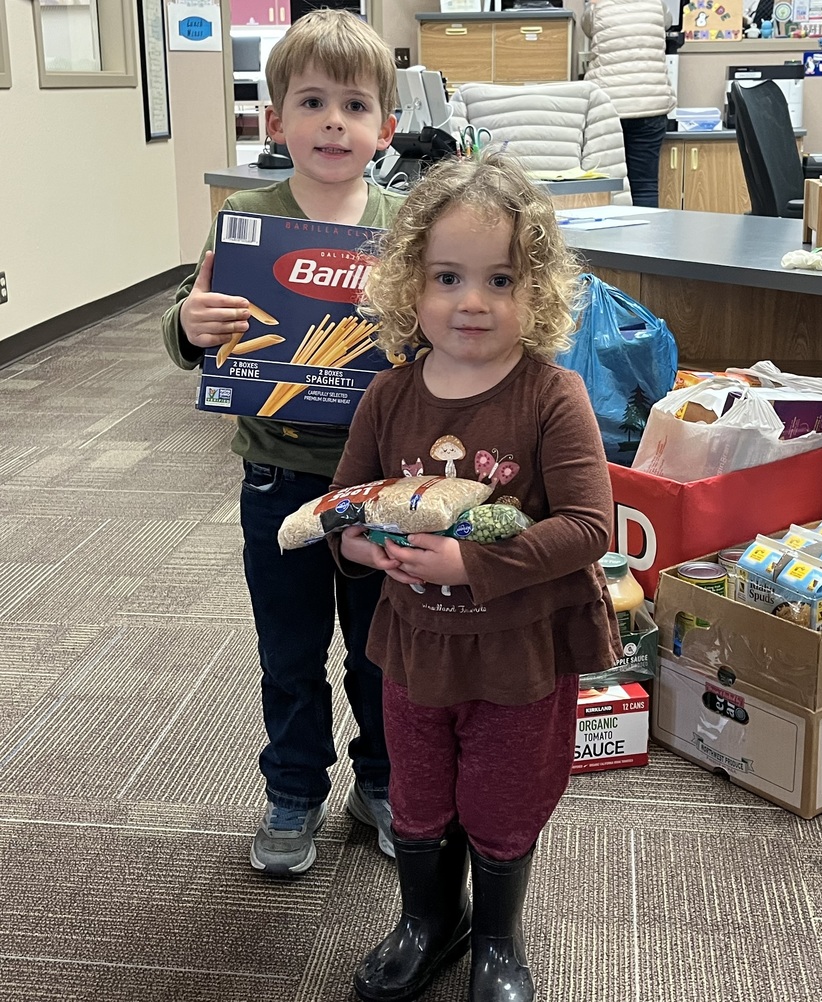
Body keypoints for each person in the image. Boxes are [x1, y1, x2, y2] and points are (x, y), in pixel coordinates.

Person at [329, 153, 622, 1002]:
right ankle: (429, 920)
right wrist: (363, 549)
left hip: (515, 653)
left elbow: (590, 527)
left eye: (500, 279)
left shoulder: (551, 394)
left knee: (501, 802)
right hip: (415, 649)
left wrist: (472, 562)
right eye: (448, 276)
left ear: (537, 292)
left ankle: (496, 935)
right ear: (410, 285)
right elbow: (345, 510)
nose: (473, 301)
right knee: (417, 799)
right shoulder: (387, 396)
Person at [160, 9, 403, 874]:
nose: (333, 121)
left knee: (382, 654)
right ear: (276, 123)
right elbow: (191, 326)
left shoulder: (404, 227)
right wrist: (191, 323)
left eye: (354, 104)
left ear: (386, 127)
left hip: (379, 483)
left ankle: (381, 782)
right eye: (311, 102)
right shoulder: (248, 221)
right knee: (290, 653)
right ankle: (294, 792)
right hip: (277, 478)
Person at [582, 0, 675, 208]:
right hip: (651, 105)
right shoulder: (657, 5)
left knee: (606, 184)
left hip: (608, 107)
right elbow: (667, 22)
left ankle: (610, 239)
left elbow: (587, 28)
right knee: (645, 185)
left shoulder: (598, 7)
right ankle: (646, 240)